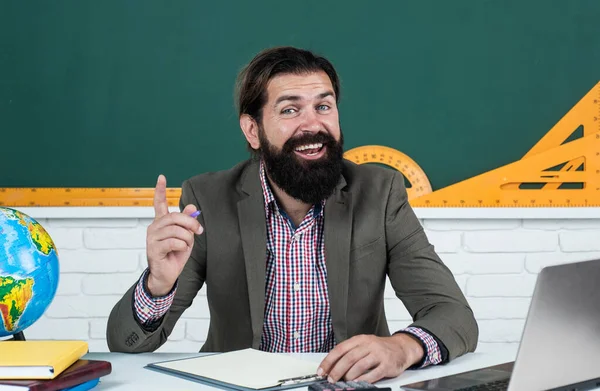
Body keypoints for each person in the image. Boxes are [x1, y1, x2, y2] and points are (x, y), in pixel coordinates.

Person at [106, 46, 478, 383]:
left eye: (323, 106)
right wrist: (158, 285)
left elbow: (454, 315)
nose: (313, 124)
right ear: (253, 130)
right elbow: (127, 345)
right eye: (289, 109)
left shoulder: (380, 193)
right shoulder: (208, 199)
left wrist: (401, 348)